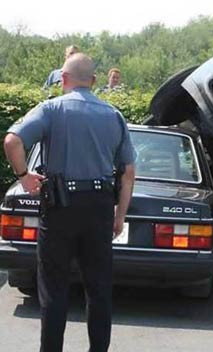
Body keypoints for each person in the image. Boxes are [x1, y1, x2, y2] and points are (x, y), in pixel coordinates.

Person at [4, 53, 136, 352]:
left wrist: (24, 176)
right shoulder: (114, 115)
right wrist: (120, 215)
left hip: (60, 208)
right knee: (99, 288)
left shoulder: (51, 109)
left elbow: (12, 140)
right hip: (100, 207)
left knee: (54, 289)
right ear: (93, 81)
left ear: (63, 79)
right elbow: (128, 172)